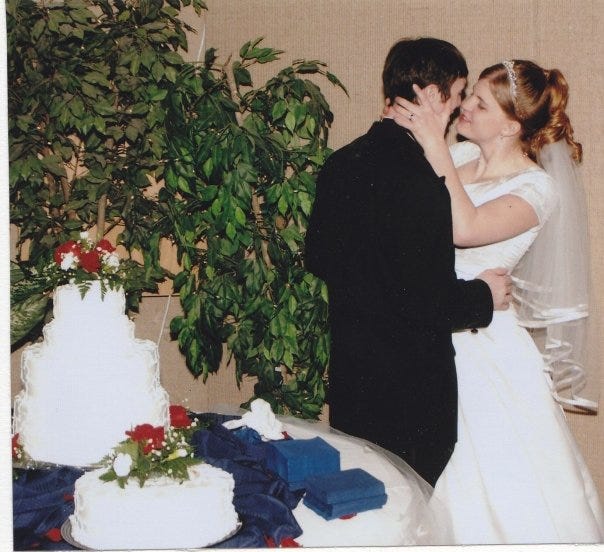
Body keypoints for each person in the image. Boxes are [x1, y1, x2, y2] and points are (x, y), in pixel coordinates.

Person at [388, 59, 604, 543]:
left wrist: (433, 143)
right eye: (469, 96)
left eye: (479, 103)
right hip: (427, 328)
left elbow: (465, 228)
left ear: (511, 125)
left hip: (483, 346)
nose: (464, 107)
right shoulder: (459, 156)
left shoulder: (536, 187)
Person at [304, 37, 512, 487]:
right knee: (409, 509)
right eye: (458, 96)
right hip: (411, 390)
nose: (458, 109)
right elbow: (424, 298)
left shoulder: (341, 162)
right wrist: (484, 295)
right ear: (434, 95)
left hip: (354, 375)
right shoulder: (423, 178)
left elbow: (318, 257)